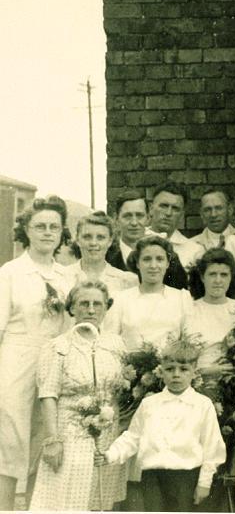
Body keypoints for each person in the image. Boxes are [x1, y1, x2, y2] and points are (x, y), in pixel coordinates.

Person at [95, 337, 227, 512]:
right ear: (161, 371)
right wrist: (110, 454)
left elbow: (212, 447)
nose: (176, 374)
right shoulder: (150, 404)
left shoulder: (202, 405)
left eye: (183, 369)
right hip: (152, 477)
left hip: (185, 478)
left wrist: (204, 482)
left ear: (194, 372)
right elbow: (132, 437)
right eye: (170, 369)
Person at [0, 196, 73, 510]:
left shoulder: (66, 276)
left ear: (61, 233)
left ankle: (32, 507)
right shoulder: (11, 272)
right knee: (11, 437)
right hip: (16, 359)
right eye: (40, 226)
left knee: (43, 435)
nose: (47, 232)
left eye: (53, 227)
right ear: (26, 231)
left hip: (53, 360)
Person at [30, 281, 128, 510]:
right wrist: (53, 441)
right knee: (67, 497)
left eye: (97, 304)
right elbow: (48, 395)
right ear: (72, 308)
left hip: (108, 433)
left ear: (106, 308)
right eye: (84, 303)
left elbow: (124, 389)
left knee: (100, 498)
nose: (91, 310)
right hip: (70, 432)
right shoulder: (57, 346)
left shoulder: (117, 345)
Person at [103, 235, 194, 351]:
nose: (153, 266)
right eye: (147, 259)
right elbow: (111, 341)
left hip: (171, 367)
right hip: (129, 367)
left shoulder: (181, 298)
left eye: (159, 259)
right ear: (137, 263)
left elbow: (190, 342)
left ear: (167, 263)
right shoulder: (121, 299)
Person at [106, 190, 189, 289]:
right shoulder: (106, 255)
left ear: (148, 218)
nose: (134, 223)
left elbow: (178, 294)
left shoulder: (168, 256)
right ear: (116, 219)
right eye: (127, 216)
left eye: (139, 216)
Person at [186, 248, 235, 392]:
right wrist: (205, 372)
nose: (218, 280)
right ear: (202, 277)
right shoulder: (189, 310)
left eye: (224, 275)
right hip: (196, 383)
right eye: (212, 274)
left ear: (231, 277)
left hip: (233, 385)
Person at [67, 211, 139, 296]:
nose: (93, 243)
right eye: (87, 237)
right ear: (78, 240)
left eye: (100, 238)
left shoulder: (127, 280)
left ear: (110, 241)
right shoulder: (63, 276)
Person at [146, 182, 204, 272]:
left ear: (181, 215)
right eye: (164, 206)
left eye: (175, 208)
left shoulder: (194, 251)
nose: (168, 213)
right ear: (151, 208)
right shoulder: (135, 241)